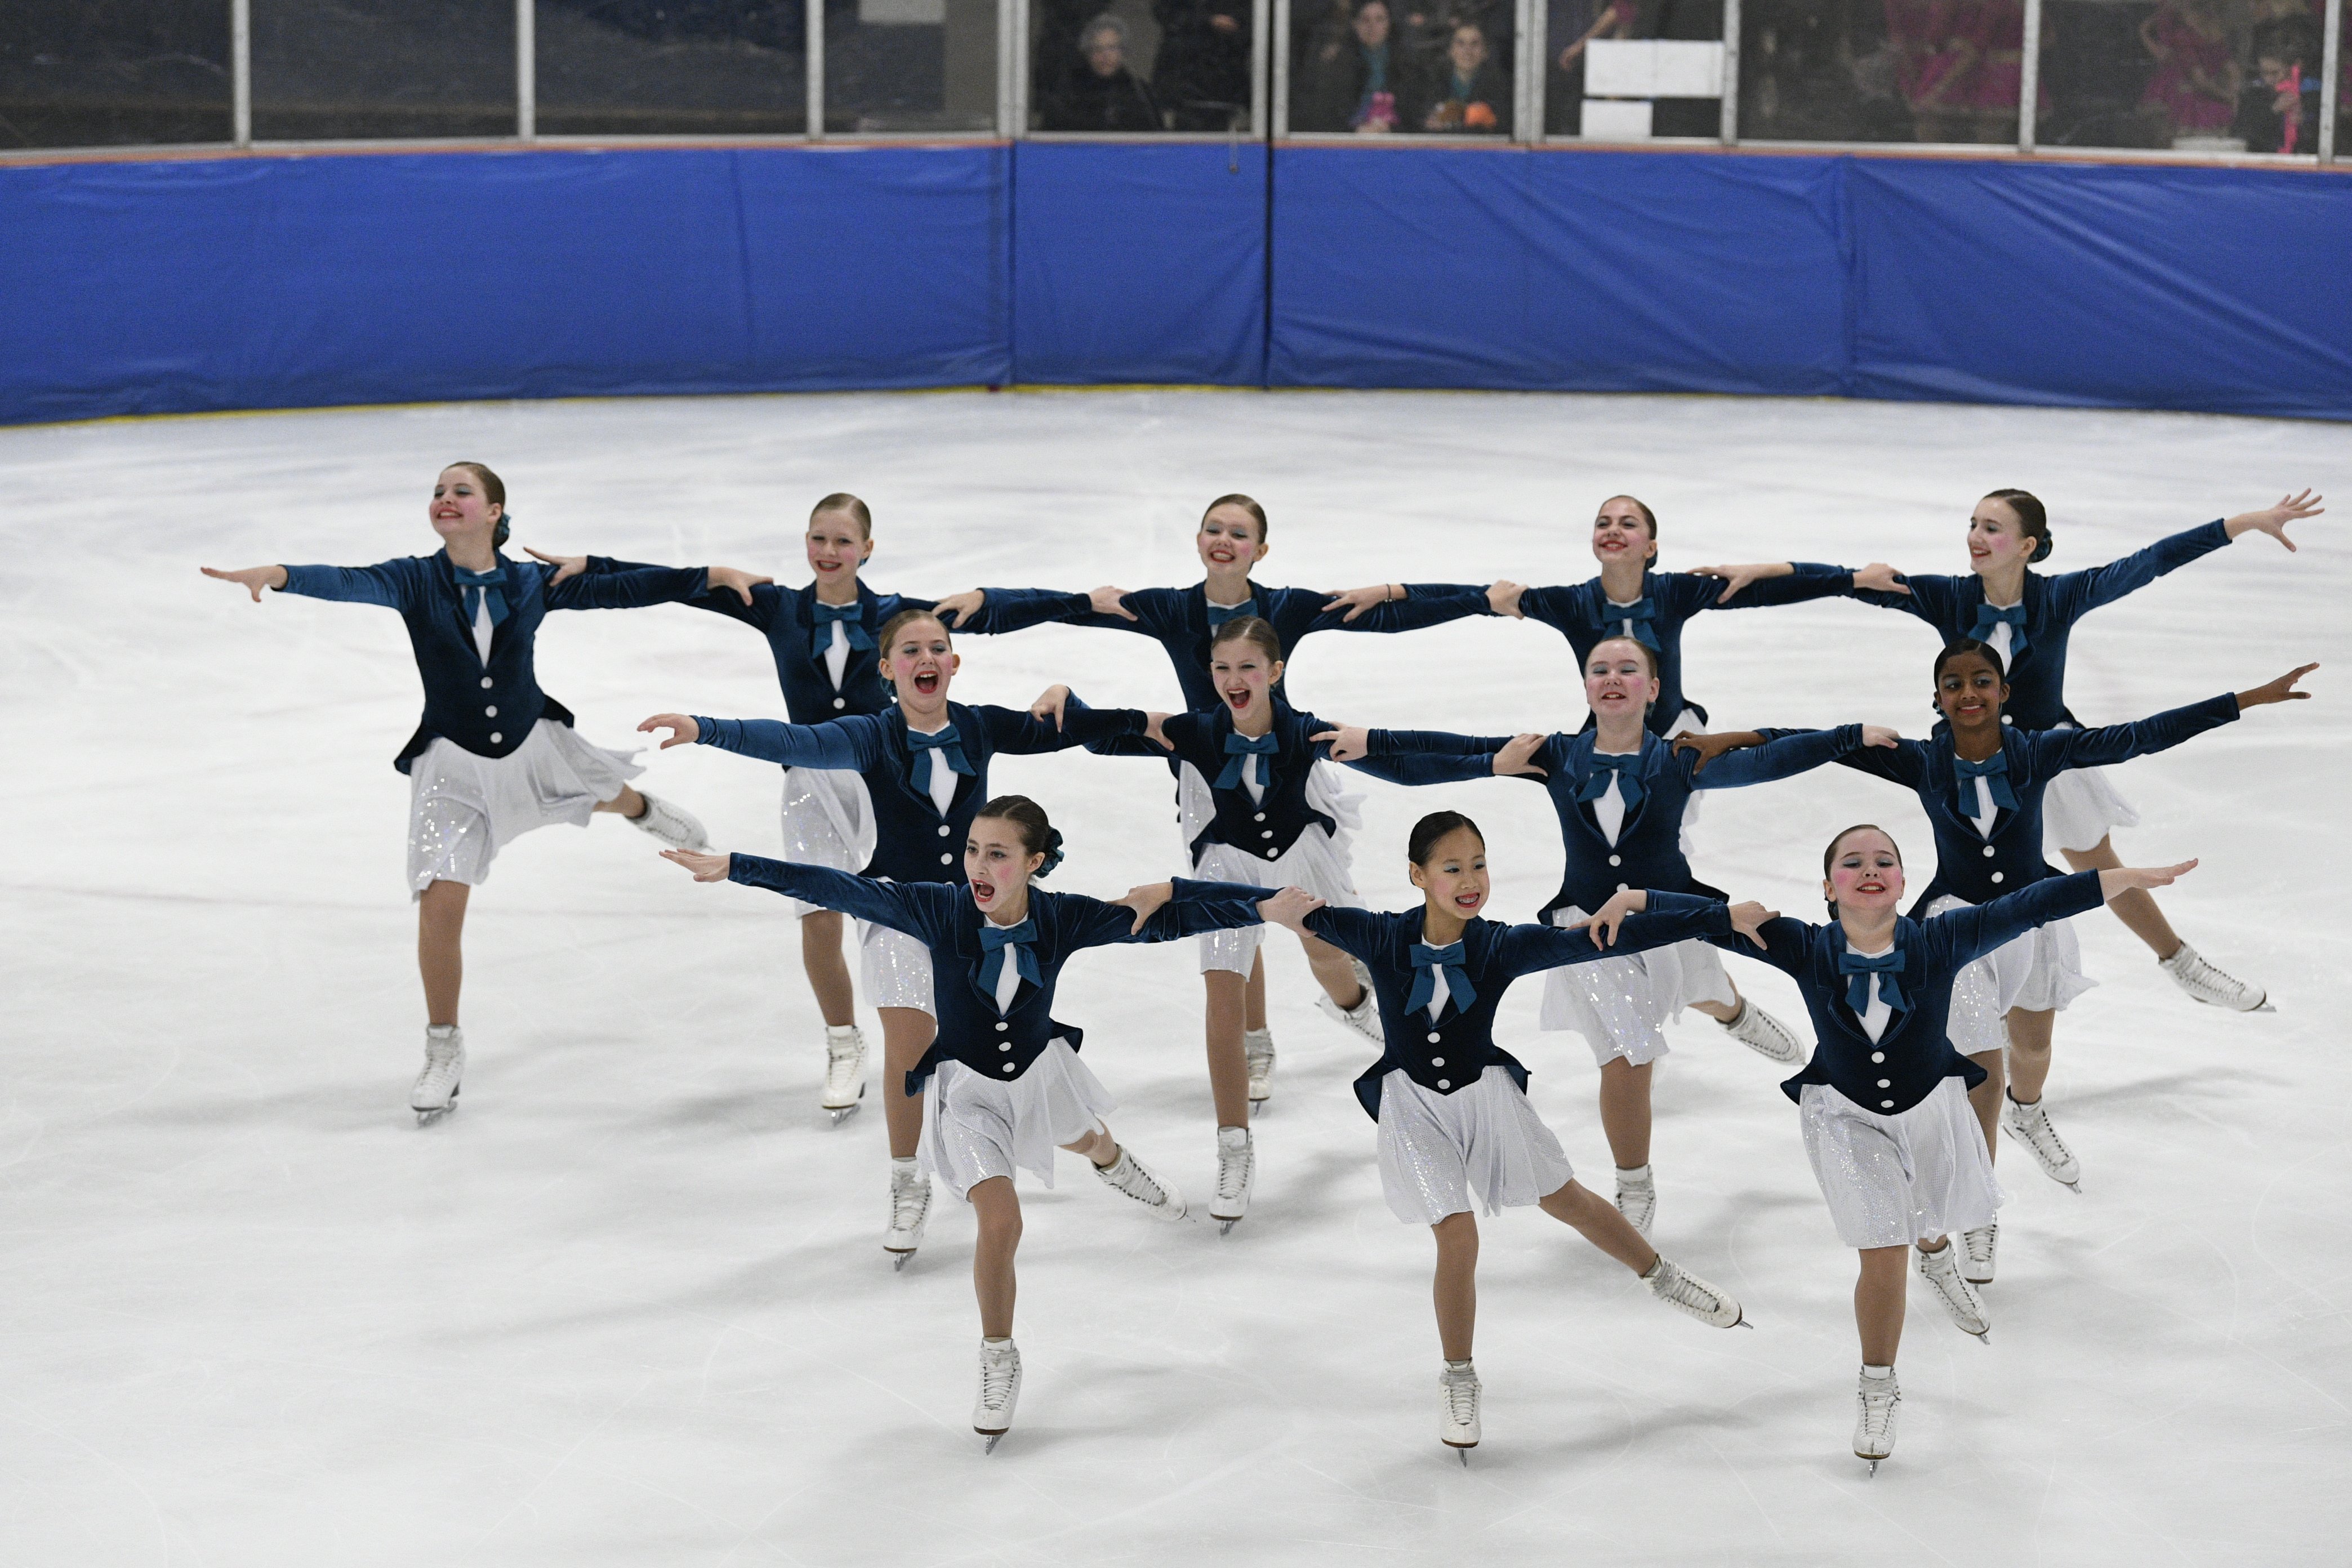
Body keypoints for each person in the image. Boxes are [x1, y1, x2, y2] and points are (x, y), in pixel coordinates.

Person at [658, 797, 1293, 1450]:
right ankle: (999, 1356)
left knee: (1085, 1138)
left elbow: (1169, 921)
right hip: (967, 1097)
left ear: (1034, 863)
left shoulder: (1061, 917)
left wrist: (1259, 905)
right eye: (971, 850)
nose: (977, 866)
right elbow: (838, 887)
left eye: (997, 854)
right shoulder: (937, 908)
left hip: (1040, 1077)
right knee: (1003, 1219)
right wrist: (736, 865)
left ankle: (1114, 1162)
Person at [1686, 647, 2315, 1281]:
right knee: (1982, 1071)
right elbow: (1816, 744)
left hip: (2031, 920)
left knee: (2032, 1051)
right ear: (1938, 697)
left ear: (2003, 690)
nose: (1968, 693)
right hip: (1956, 934)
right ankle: (1981, 1218)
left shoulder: (2037, 752)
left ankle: (2030, 1109)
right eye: (1953, 683)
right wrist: (1739, 738)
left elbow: (2140, 737)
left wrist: (2247, 700)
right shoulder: (1923, 760)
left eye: (1981, 681)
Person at [200, 462, 765, 1121]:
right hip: (453, 765)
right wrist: (282, 575)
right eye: (438, 492)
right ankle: (444, 1046)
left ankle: (641, 811)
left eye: (461, 492)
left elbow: (624, 589)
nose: (445, 500)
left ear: (495, 511)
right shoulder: (414, 579)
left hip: (532, 742)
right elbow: (348, 582)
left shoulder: (529, 583)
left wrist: (708, 578)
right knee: (439, 898)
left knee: (598, 791)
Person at [936, 493, 1499, 1108]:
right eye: (1213, 528)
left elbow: (1388, 615)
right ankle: (1255, 1038)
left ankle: (1350, 985)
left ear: (1260, 550)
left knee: (1319, 923)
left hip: (1287, 763)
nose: (1223, 540)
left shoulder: (1287, 607)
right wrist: (990, 605)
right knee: (1234, 915)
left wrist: (1467, 597)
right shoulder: (1171, 608)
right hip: (1204, 770)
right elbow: (1083, 607)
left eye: (1239, 532)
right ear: (1199, 539)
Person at [636, 609, 1160, 1265]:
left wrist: (1075, 703)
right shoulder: (870, 735)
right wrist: (705, 729)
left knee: (1022, 1073)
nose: (926, 658)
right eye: (910, 650)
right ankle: (907, 1177)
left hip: (984, 919)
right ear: (887, 669)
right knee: (911, 1039)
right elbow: (792, 743)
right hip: (899, 913)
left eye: (938, 648)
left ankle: (1103, 1151)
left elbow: (1066, 730)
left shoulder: (978, 726)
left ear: (953, 664)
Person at [1666, 826, 2197, 1471]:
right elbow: (1684, 919)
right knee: (1884, 1250)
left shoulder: (1943, 938)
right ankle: (1878, 1386)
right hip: (1843, 1118)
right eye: (1852, 862)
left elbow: (2035, 905)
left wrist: (2124, 877)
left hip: (1932, 1109)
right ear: (1827, 886)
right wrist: (1637, 900)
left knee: (1933, 1215)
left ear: (1903, 881)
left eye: (1884, 861)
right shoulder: (1801, 944)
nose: (1870, 869)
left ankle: (1939, 1255)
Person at [1324, 635, 1890, 1233]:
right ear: (1587, 687)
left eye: (1628, 669)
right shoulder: (1557, 755)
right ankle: (1633, 1178)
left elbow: (1767, 760)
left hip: (1670, 914)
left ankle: (1733, 1013)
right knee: (1627, 1051)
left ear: (1652, 689)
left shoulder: (1678, 759)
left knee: (1698, 988)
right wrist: (1368, 746)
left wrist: (1846, 736)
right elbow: (1452, 754)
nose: (1613, 677)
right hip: (1588, 929)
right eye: (1600, 670)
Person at [1260, 810, 1754, 1458]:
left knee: (1567, 1199)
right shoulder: (1376, 935)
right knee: (1457, 1233)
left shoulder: (1499, 945)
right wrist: (1184, 898)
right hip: (1412, 1108)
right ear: (1418, 875)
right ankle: (1458, 1376)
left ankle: (1661, 1276)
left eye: (1480, 865)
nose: (1471, 880)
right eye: (1453, 868)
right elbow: (1250, 899)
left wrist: (1716, 918)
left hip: (1487, 1102)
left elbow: (1611, 939)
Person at [615, 492, 1084, 1121]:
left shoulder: (898, 619)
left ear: (867, 549)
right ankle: (842, 1040)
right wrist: (593, 565)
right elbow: (671, 587)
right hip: (810, 779)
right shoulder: (778, 606)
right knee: (818, 911)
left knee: (916, 904)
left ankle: (954, 1039)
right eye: (818, 539)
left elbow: (995, 611)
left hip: (886, 777)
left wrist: (1079, 611)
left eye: (842, 541)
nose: (828, 553)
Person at [1841, 487, 2324, 1010]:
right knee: (1976, 880)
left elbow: (2151, 562)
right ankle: (1975, 1014)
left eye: (1992, 528)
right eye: (1974, 524)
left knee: (2096, 862)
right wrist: (1785, 576)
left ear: (2027, 545)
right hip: (1966, 761)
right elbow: (1846, 587)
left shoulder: (2060, 597)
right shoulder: (1949, 597)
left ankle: (2181, 963)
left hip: (2051, 756)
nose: (1975, 538)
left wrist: (2245, 521)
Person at [1124, 616, 1518, 1230]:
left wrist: (1493, 760)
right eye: (1223, 668)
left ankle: (1360, 1008)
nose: (1235, 680)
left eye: (1249, 667)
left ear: (1276, 672)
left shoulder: (1306, 733)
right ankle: (1235, 1145)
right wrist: (1065, 710)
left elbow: (1403, 752)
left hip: (1301, 855)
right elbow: (1111, 731)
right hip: (1224, 863)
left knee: (1328, 954)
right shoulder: (1192, 731)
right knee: (1222, 992)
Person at [1488, 493, 1899, 743]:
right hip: (1603, 737)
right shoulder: (1572, 603)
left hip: (1675, 734)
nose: (1613, 529)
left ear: (1650, 547)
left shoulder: (1673, 592)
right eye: (1604, 523)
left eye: (1628, 524)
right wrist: (1486, 598)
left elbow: (1763, 594)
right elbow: (1485, 600)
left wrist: (1852, 579)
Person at [1298, 0, 1420, 132]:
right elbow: (1326, 116)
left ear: (1389, 23)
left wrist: (1390, 129)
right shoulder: (1339, 65)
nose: (1372, 27)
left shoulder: (1405, 64)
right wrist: (1356, 130)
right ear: (1355, 24)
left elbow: (1413, 116)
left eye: (1380, 20)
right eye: (1365, 20)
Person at [2136, 0, 2240, 142]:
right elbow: (2202, 79)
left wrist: (2232, 93)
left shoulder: (2190, 34)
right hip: (2182, 96)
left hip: (2202, 95)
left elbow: (2227, 68)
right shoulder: (2183, 36)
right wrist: (2230, 96)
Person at [1041, 16, 1164, 132]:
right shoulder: (1069, 92)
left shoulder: (1140, 92)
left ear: (1122, 52)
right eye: (1097, 49)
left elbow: (1156, 138)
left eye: (1112, 48)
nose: (1105, 56)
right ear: (1088, 53)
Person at [1152, 0, 1253, 130]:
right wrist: (1208, 21)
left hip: (1227, 85)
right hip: (1183, 84)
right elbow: (1165, 13)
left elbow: (1254, 24)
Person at [1413, 21, 1513, 132]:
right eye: (1461, 44)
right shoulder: (1432, 81)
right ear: (1450, 51)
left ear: (1485, 52)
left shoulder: (1500, 85)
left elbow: (1501, 125)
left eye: (1475, 44)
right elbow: (1421, 120)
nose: (1467, 51)